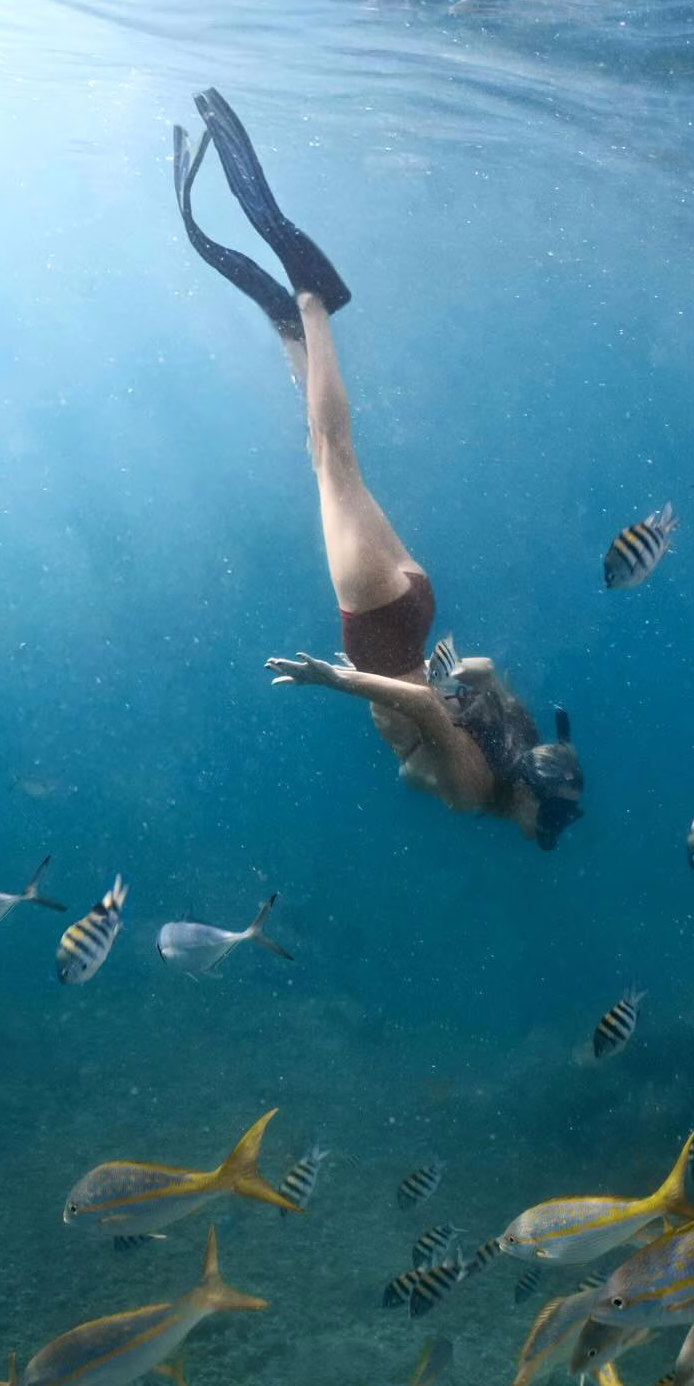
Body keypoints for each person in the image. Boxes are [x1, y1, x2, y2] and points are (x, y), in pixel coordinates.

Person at [174, 88, 583, 851]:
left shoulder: (515, 743)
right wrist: (337, 683)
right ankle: (313, 305)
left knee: (329, 458)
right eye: (545, 824)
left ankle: (293, 332)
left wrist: (477, 697)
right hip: (381, 637)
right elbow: (423, 713)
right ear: (528, 802)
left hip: (414, 608)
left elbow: (481, 672)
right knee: (333, 456)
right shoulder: (474, 792)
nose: (540, 830)